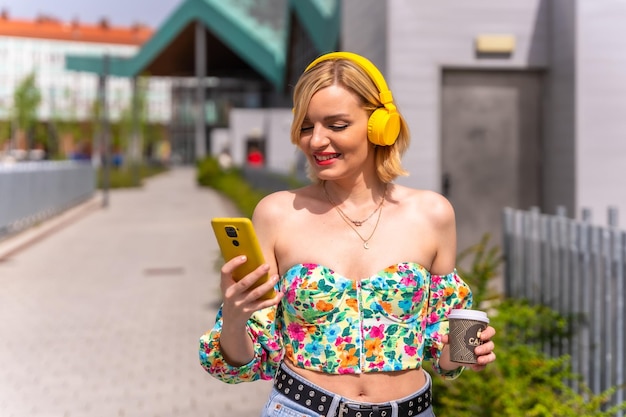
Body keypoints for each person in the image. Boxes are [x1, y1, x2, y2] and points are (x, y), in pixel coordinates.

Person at [199, 51, 496, 417]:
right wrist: (234, 315)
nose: (317, 141)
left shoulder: (432, 214)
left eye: (336, 125)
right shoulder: (277, 213)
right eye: (307, 127)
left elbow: (442, 352)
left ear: (380, 126)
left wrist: (468, 353)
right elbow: (240, 364)